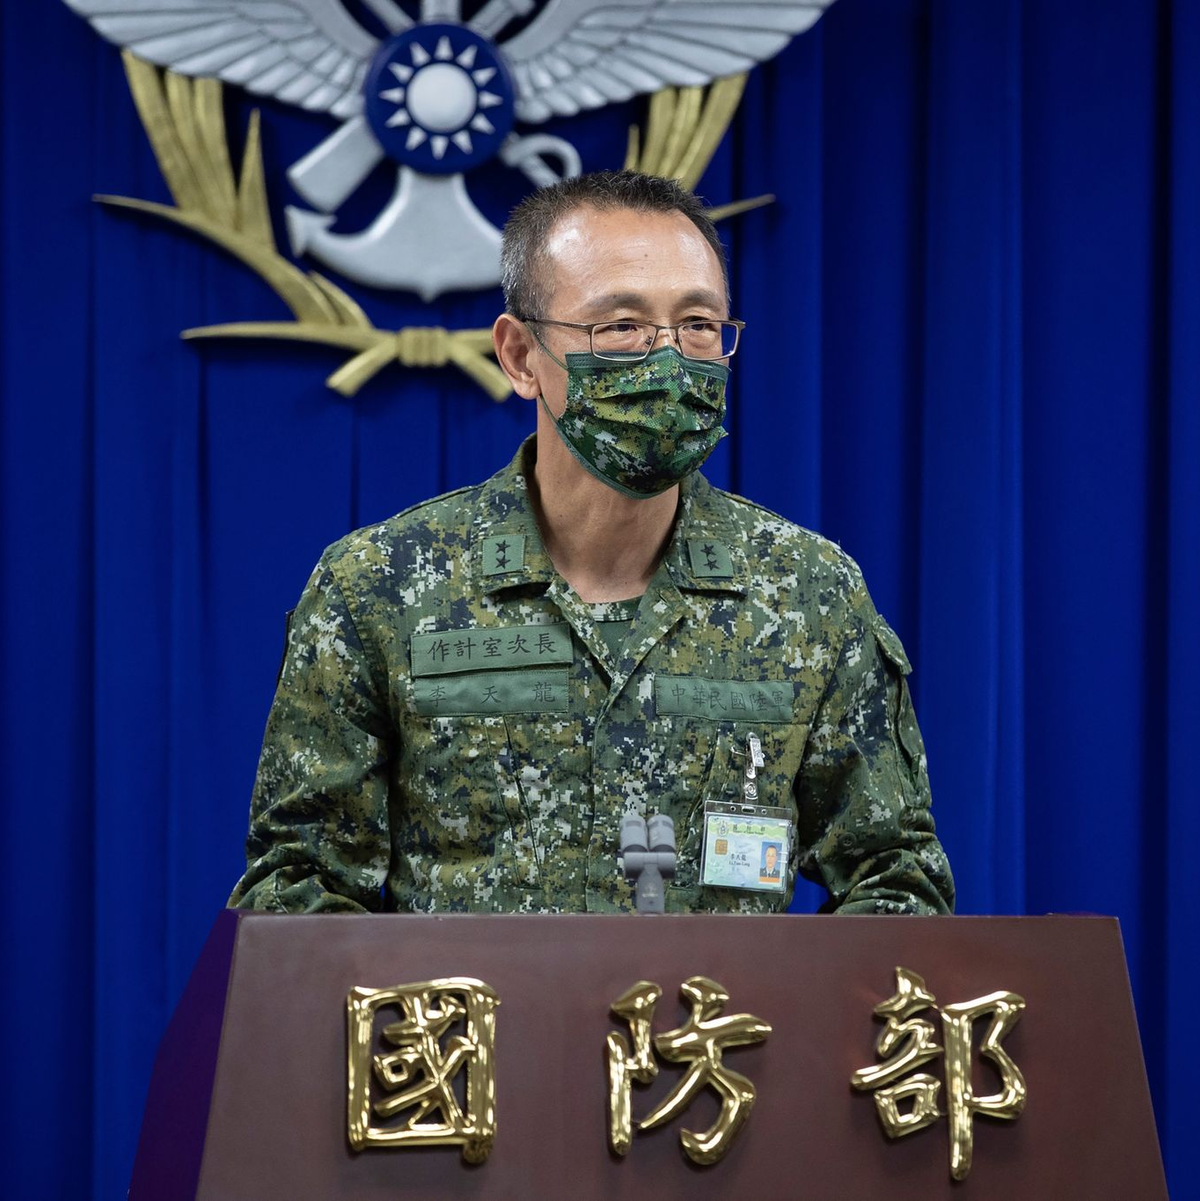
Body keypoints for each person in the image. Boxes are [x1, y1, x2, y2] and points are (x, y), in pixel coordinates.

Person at [229, 170, 954, 917]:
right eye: (621, 328)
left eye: (700, 324)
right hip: (483, 1031)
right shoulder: (379, 587)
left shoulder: (809, 594)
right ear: (519, 355)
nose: (669, 361)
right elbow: (297, 891)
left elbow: (895, 880)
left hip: (709, 1034)